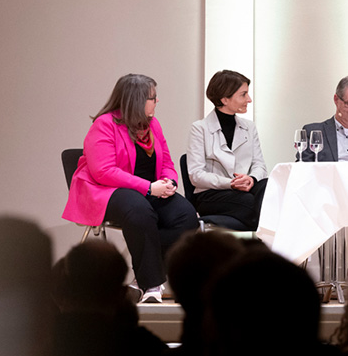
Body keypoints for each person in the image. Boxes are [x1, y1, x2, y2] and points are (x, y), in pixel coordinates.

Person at [63, 74, 198, 302]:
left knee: (186, 217)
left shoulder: (152, 124)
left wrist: (169, 182)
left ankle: (141, 279)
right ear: (136, 100)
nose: (157, 102)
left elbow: (167, 163)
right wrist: (148, 188)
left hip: (149, 190)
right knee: (139, 210)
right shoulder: (104, 125)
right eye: (153, 98)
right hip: (107, 190)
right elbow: (103, 171)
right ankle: (152, 285)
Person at [186, 70, 269, 230]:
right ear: (224, 99)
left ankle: (259, 238)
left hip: (246, 190)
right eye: (243, 95)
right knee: (257, 205)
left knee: (267, 186)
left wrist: (251, 178)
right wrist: (231, 183)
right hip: (212, 194)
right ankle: (264, 240)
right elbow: (196, 175)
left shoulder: (249, 127)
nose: (249, 99)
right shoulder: (200, 128)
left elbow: (259, 165)